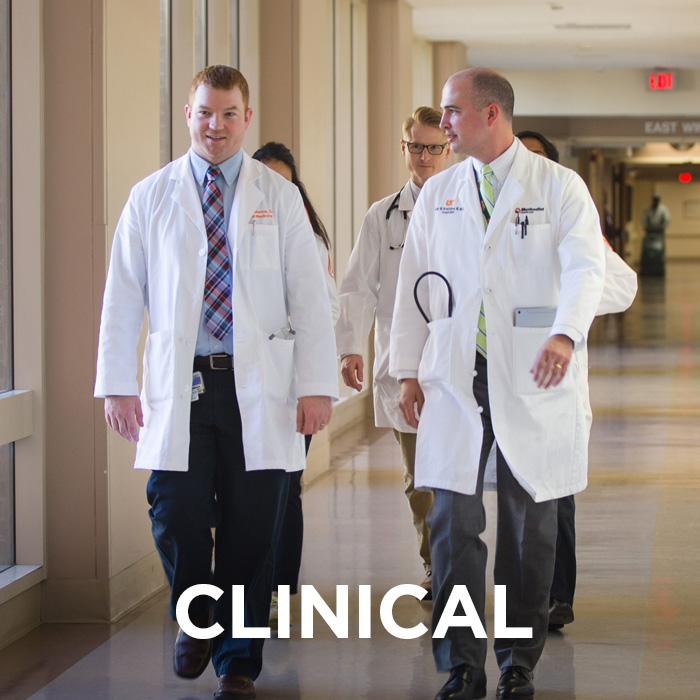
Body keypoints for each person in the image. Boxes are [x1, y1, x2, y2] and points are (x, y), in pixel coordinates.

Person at [94, 65, 338, 700]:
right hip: (184, 385)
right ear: (187, 114)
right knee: (173, 511)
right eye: (205, 112)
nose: (217, 125)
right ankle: (196, 615)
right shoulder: (152, 195)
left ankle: (237, 664)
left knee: (255, 524)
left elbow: (310, 299)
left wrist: (317, 385)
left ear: (246, 119)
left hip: (262, 388)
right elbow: (122, 295)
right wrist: (116, 383)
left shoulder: (277, 197)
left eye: (229, 114)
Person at [390, 69, 606, 700]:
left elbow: (587, 266)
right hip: (457, 376)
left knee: (527, 525)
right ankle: (460, 664)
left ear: (490, 115)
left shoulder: (558, 186)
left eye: (452, 113)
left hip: (533, 371)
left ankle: (517, 663)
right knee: (454, 526)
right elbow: (414, 286)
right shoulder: (441, 192)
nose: (443, 123)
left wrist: (566, 333)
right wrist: (406, 369)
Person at [516, 130, 638, 632]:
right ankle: (520, 597)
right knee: (510, 499)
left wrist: (567, 308)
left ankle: (556, 596)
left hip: (554, 378)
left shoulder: (572, 210)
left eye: (537, 159)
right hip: (498, 377)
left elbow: (619, 284)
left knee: (554, 493)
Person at [335, 107, 451, 598]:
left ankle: (458, 564)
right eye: (415, 147)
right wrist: (349, 348)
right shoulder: (382, 216)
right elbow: (358, 286)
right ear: (403, 149)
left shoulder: (467, 205)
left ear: (448, 149)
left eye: (433, 147)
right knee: (420, 478)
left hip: (457, 362)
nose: (423, 156)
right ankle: (436, 569)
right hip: (401, 364)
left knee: (459, 475)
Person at [251, 141, 339, 626]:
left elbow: (325, 308)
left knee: (284, 485)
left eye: (285, 180)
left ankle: (278, 586)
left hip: (291, 379)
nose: (274, 188)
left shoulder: (306, 233)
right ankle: (248, 585)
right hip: (245, 377)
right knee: (246, 490)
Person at [641, 194, 670, 276]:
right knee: (647, 250)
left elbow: (667, 219)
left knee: (659, 251)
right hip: (649, 232)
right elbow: (644, 219)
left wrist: (662, 227)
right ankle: (647, 268)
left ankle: (659, 268)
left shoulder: (663, 209)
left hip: (659, 232)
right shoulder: (647, 209)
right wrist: (646, 227)